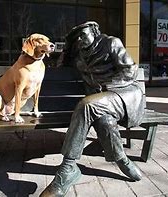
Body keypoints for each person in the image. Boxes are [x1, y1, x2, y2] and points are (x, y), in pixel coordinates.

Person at [40, 21, 145, 197]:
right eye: (77, 38)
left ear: (95, 32)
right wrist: (66, 49)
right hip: (101, 103)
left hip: (123, 94)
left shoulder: (111, 43)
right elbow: (59, 68)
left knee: (86, 105)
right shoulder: (79, 56)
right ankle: (121, 159)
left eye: (84, 34)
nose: (80, 39)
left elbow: (130, 71)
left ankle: (67, 170)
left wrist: (106, 89)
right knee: (104, 120)